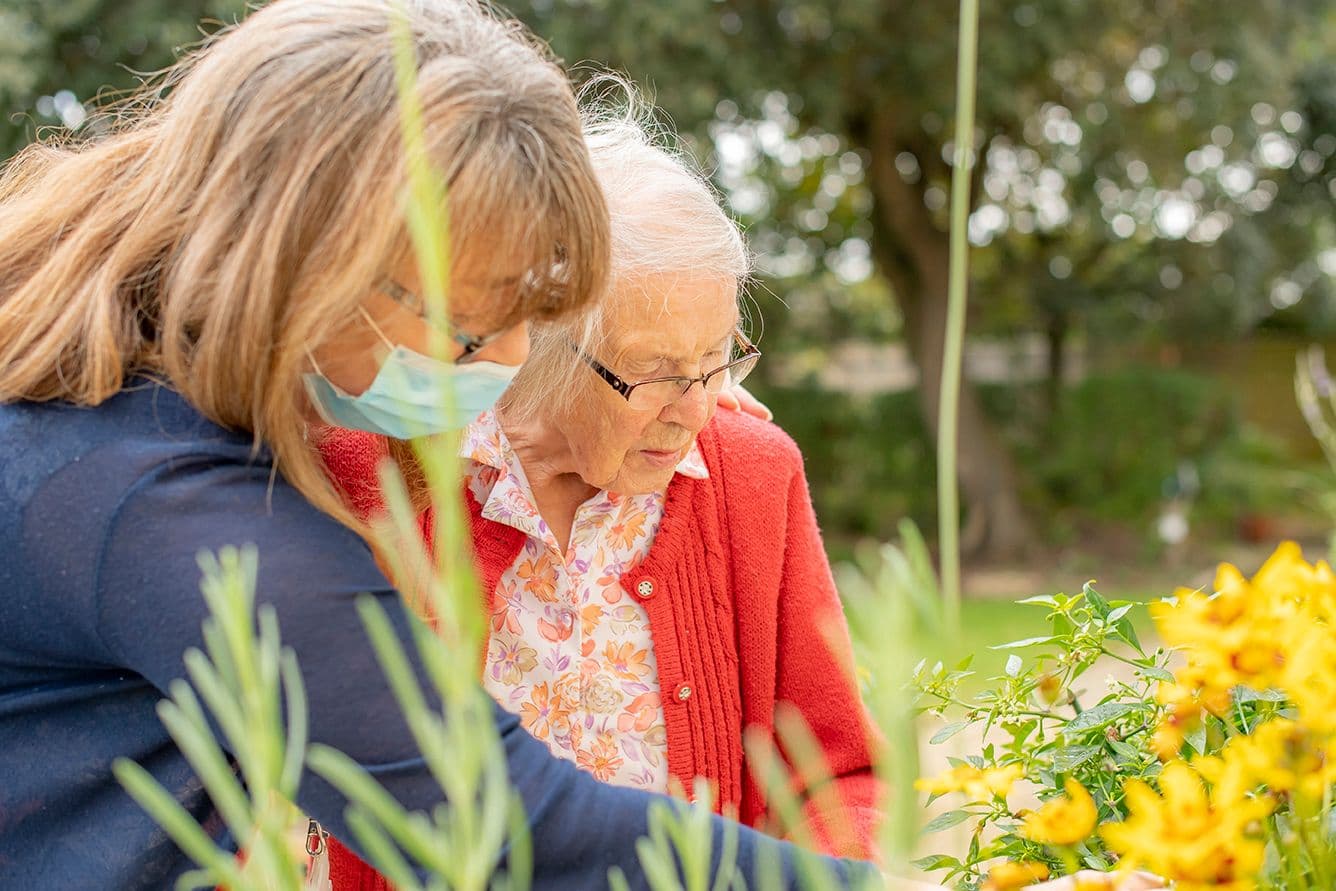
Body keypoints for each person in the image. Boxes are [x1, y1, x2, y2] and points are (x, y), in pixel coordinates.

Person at [0, 2, 873, 888]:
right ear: (318, 263)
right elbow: (498, 814)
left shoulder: (101, 394)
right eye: (471, 329)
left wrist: (672, 381)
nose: (512, 362)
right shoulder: (161, 499)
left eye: (532, 321)